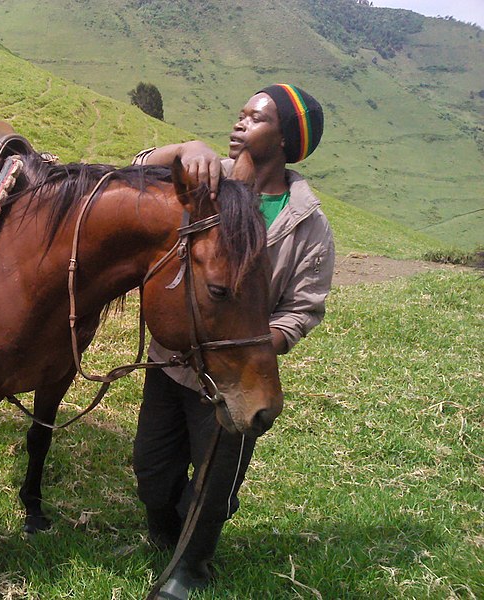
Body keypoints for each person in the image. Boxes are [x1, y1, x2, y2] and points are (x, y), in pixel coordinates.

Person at [131, 84, 335, 599]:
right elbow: (135, 171)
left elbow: (302, 309)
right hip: (173, 362)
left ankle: (190, 566)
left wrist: (247, 342)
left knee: (215, 479)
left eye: (256, 118)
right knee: (151, 469)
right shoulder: (207, 178)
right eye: (240, 113)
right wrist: (181, 151)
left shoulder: (306, 224)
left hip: (236, 374)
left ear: (286, 140)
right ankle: (164, 534)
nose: (240, 123)